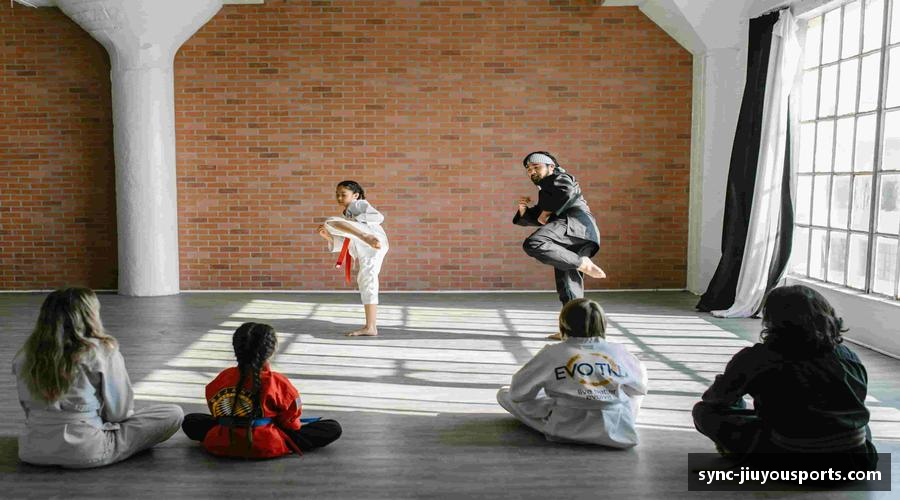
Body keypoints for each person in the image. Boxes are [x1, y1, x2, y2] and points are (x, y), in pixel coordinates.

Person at [692, 285, 878, 469]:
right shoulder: (847, 356)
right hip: (858, 460)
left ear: (772, 321)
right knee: (852, 422)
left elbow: (716, 398)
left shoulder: (757, 358)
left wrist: (735, 383)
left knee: (704, 412)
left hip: (791, 460)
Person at [12, 287, 183, 468]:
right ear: (90, 316)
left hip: (32, 450)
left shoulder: (25, 355)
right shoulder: (101, 350)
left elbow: (27, 408)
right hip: (86, 450)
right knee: (172, 413)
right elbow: (119, 413)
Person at [497, 298, 648, 448]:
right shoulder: (618, 351)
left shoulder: (552, 352)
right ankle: (623, 421)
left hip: (565, 428)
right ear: (603, 324)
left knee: (504, 393)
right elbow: (638, 389)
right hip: (616, 430)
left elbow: (517, 393)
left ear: (563, 324)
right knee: (636, 379)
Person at [182, 322, 341, 458]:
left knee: (190, 420)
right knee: (332, 427)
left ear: (236, 349)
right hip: (266, 442)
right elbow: (291, 424)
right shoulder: (278, 382)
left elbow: (217, 414)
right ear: (271, 351)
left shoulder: (222, 377)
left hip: (222, 440)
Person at [514, 152, 605, 340]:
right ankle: (574, 332)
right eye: (529, 169)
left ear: (551, 167)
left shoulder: (560, 177)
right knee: (568, 287)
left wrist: (545, 212)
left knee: (535, 243)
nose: (532, 171)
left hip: (574, 225)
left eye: (536, 167)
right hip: (573, 234)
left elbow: (566, 192)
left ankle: (582, 263)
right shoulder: (547, 189)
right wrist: (524, 210)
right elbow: (541, 216)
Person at [316, 180, 389, 337]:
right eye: (337, 195)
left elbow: (378, 217)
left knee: (330, 221)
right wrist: (328, 237)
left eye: (343, 194)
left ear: (355, 195)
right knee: (366, 280)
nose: (339, 198)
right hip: (366, 247)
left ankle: (365, 236)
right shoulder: (347, 214)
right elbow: (346, 242)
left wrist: (357, 227)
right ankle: (371, 327)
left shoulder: (359, 204)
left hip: (371, 239)